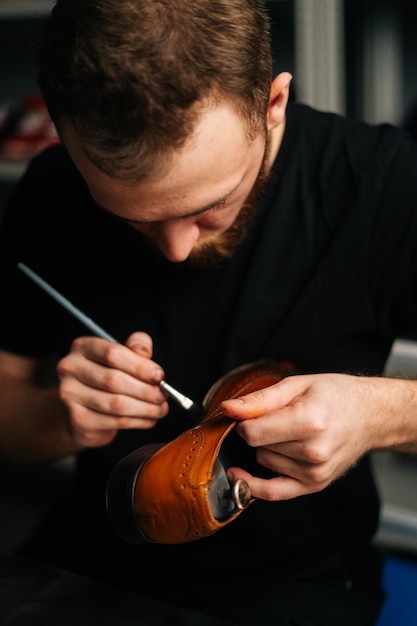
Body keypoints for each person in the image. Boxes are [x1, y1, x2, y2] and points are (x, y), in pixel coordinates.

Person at [1, 0, 417, 623]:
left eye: (212, 205)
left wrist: (381, 415)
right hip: (95, 552)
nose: (175, 249)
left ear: (271, 105)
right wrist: (55, 416)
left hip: (298, 579)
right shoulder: (51, 188)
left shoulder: (386, 185)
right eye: (132, 216)